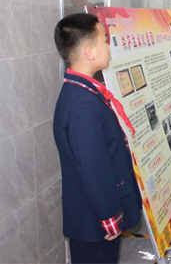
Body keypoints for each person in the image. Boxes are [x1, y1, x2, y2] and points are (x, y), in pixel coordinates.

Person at [52, 14, 142, 263]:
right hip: (93, 221)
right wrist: (109, 216)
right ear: (89, 52)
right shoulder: (83, 105)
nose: (109, 46)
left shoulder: (82, 92)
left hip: (93, 216)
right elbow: (93, 167)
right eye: (104, 40)